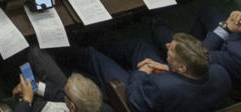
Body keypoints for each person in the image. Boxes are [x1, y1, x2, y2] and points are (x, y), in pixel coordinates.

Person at [60, 32, 232, 112]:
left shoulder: (160, 87)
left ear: (182, 67)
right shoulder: (221, 73)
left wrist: (141, 73)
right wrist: (168, 69)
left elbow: (134, 100)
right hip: (173, 86)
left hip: (138, 94)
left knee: (93, 57)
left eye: (171, 50)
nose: (167, 46)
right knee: (140, 46)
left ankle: (63, 51)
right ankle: (95, 37)